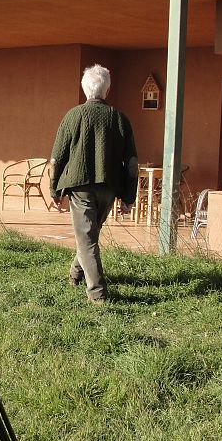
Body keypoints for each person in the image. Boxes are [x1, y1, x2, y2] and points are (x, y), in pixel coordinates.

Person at [49, 64, 138, 305]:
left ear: (85, 89)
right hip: (109, 188)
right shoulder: (120, 119)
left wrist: (54, 189)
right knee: (89, 236)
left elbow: (57, 158)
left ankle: (98, 295)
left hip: (80, 188)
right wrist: (129, 197)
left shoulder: (73, 116)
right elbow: (131, 163)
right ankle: (75, 275)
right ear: (107, 90)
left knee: (87, 238)